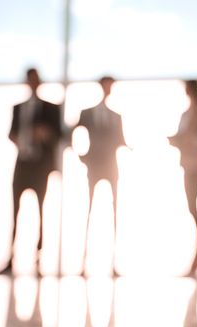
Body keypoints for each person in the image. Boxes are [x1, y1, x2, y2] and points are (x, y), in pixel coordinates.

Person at [5, 68, 62, 274]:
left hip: (40, 166)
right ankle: (10, 259)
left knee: (41, 211)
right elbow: (11, 133)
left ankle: (38, 260)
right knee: (15, 211)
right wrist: (18, 140)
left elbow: (58, 135)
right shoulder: (18, 108)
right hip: (22, 163)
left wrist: (45, 134)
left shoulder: (51, 108)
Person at [75, 76, 126, 276]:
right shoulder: (87, 112)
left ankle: (113, 263)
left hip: (111, 166)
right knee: (88, 210)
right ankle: (83, 262)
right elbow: (74, 132)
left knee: (115, 213)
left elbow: (121, 140)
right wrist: (82, 155)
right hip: (94, 165)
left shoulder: (116, 115)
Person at [169, 80, 197, 276]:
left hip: (195, 164)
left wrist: (186, 139)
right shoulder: (186, 113)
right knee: (190, 206)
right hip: (186, 162)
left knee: (193, 206)